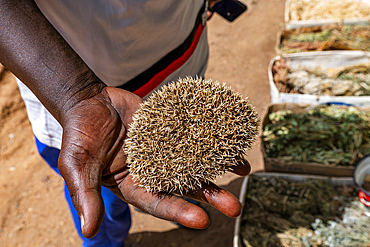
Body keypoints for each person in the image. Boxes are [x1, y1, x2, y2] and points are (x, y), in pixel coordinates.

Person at [0, 1, 251, 246]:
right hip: (73, 95)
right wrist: (76, 95)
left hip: (182, 58)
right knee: (106, 196)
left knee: (184, 169)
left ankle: (176, 191)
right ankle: (109, 241)